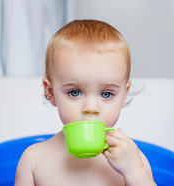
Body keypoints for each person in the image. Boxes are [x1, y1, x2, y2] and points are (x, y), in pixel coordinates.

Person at [14, 19, 156, 186]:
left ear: (124, 94)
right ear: (51, 92)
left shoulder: (133, 161)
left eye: (106, 94)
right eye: (75, 92)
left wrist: (135, 172)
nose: (91, 108)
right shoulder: (34, 160)